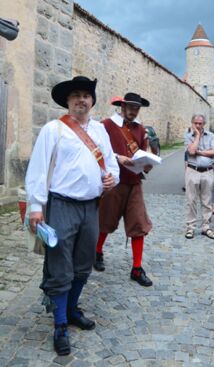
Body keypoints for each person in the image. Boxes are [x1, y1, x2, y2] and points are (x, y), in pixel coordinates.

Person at [25, 76, 120, 356]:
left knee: (83, 263)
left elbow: (111, 163)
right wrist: (35, 207)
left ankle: (71, 308)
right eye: (76, 95)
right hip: (61, 205)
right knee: (59, 265)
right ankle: (60, 324)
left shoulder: (101, 131)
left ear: (92, 100)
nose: (81, 100)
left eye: (86, 95)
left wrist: (111, 178)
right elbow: (39, 169)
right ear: (67, 101)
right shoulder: (53, 129)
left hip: (91, 207)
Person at [95, 93, 154, 287]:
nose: (133, 110)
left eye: (136, 108)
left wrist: (147, 163)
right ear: (122, 106)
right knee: (105, 220)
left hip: (134, 182)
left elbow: (144, 151)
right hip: (114, 182)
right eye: (130, 106)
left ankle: (137, 268)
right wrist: (118, 158)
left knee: (139, 224)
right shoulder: (107, 125)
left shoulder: (140, 128)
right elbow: (98, 150)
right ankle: (97, 252)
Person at [185, 114, 214, 239]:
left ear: (204, 124)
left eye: (200, 123)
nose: (198, 126)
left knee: (207, 201)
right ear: (192, 123)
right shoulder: (188, 136)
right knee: (191, 200)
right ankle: (190, 227)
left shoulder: (211, 136)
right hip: (192, 170)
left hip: (208, 171)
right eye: (196, 123)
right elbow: (192, 151)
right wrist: (197, 136)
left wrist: (200, 152)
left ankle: (206, 227)